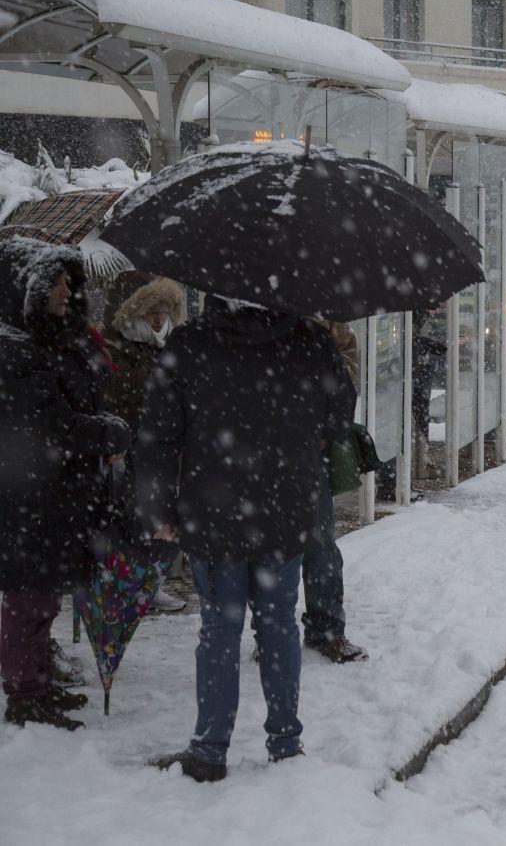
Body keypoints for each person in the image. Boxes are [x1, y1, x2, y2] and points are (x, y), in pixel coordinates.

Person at [139, 295, 355, 782]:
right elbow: (339, 421)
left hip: (213, 513)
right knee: (279, 625)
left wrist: (157, 507)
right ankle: (285, 743)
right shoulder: (309, 340)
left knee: (219, 631)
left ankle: (210, 750)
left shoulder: (190, 342)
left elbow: (157, 432)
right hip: (284, 509)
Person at [0, 237, 131, 731]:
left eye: (65, 283)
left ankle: (37, 679)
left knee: (45, 595)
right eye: (52, 284)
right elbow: (51, 425)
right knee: (27, 598)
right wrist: (108, 432)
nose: (62, 292)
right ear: (24, 289)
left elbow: (81, 403)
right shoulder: (14, 351)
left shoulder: (56, 338)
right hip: (28, 495)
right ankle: (24, 694)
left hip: (58, 494)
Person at [103, 276, 188, 612]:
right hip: (128, 451)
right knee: (131, 522)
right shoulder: (115, 346)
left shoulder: (171, 349)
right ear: (134, 310)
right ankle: (132, 586)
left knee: (165, 523)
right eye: (152, 309)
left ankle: (150, 583)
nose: (158, 317)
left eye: (165, 310)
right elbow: (114, 395)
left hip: (163, 451)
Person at [302, 318, 368, 663]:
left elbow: (347, 373)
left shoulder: (327, 316)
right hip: (269, 446)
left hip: (312, 447)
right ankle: (271, 631)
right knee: (271, 548)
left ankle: (326, 629)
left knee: (321, 543)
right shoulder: (262, 307)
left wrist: (328, 428)